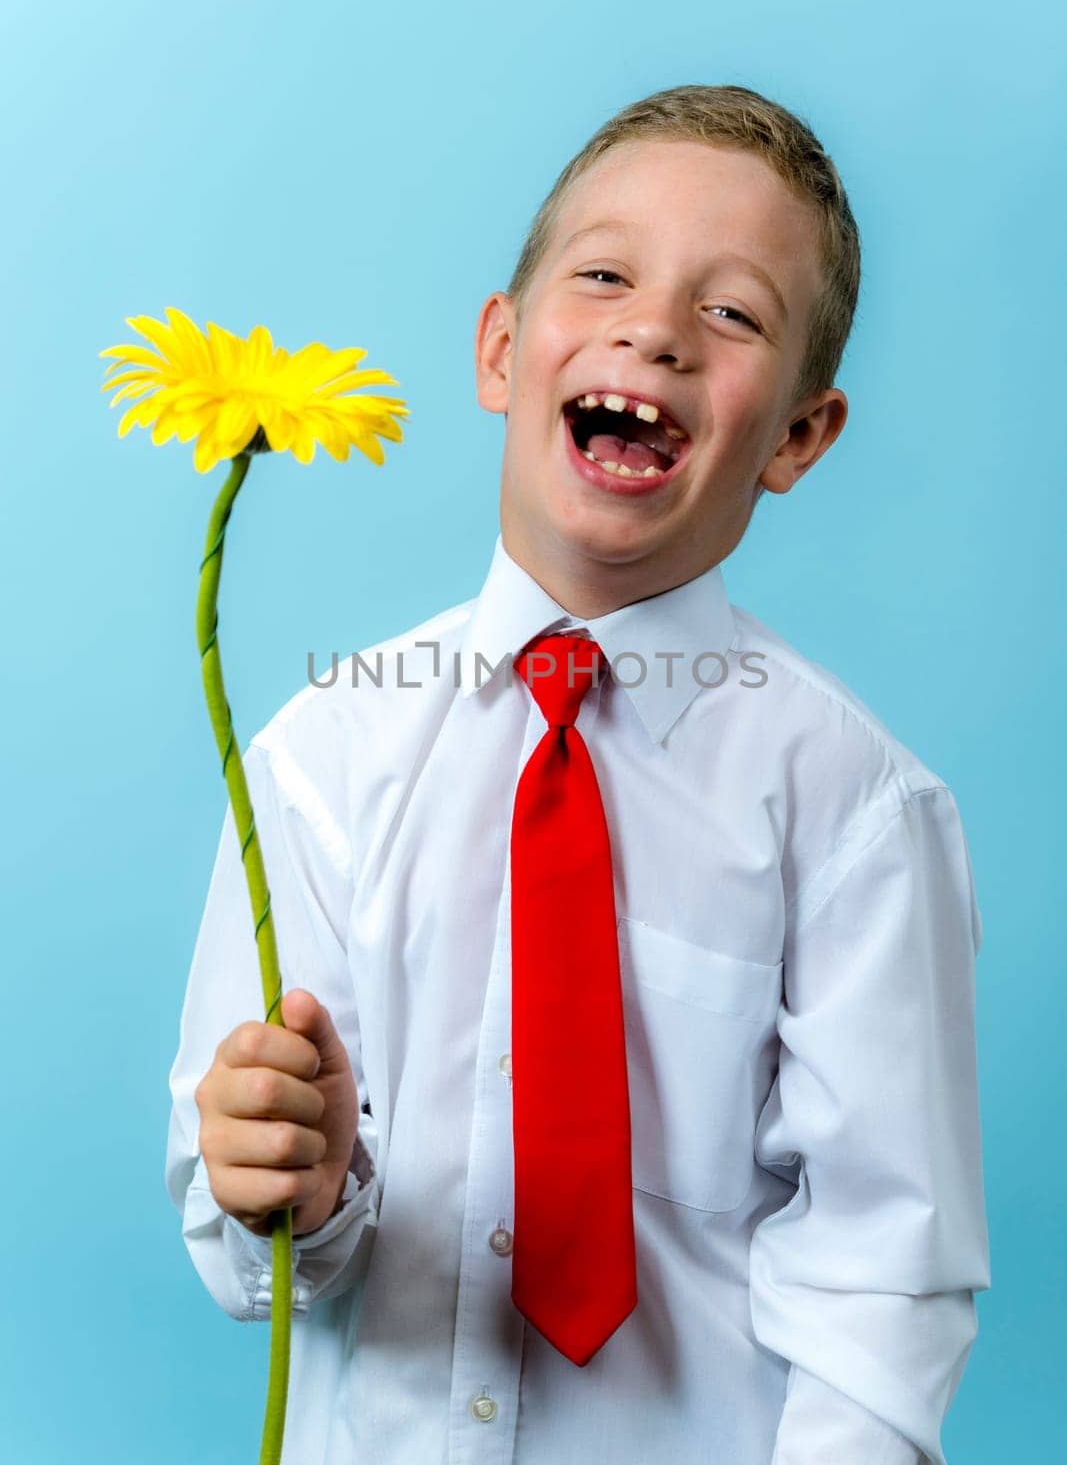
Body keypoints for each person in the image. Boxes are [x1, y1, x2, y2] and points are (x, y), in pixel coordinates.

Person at [166, 83, 990, 1464]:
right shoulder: (322, 757)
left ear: (797, 435)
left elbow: (880, 1283)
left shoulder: (855, 810)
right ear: (500, 348)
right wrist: (281, 1186)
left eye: (733, 315)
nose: (654, 328)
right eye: (604, 274)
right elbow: (255, 1260)